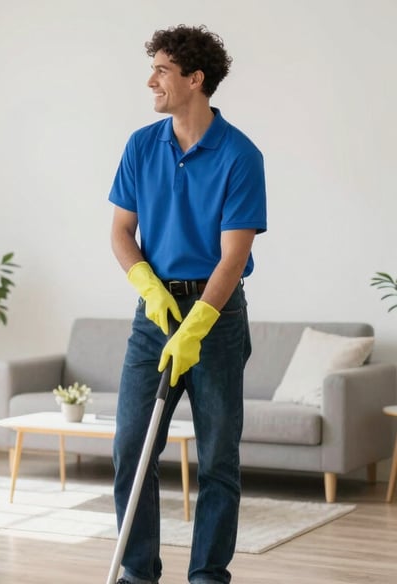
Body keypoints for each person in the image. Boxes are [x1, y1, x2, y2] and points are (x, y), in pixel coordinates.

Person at [108, 25, 267, 584]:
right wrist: (149, 289)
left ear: (195, 79)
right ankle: (138, 571)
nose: (151, 80)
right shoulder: (141, 146)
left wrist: (199, 323)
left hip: (215, 321)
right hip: (153, 321)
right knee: (132, 450)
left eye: (162, 69)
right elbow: (122, 233)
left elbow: (232, 257)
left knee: (218, 457)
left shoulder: (241, 156)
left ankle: (207, 576)